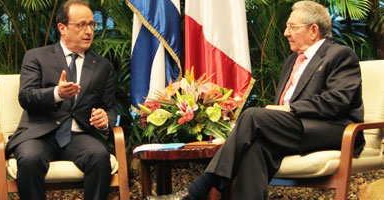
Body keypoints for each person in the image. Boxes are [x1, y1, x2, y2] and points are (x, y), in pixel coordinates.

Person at [147, 1, 365, 199]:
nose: (285, 32)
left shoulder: (339, 55)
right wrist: (283, 112)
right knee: (255, 149)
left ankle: (197, 191)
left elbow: (338, 101)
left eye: (292, 27)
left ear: (314, 30)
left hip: (333, 129)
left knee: (253, 116)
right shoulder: (292, 61)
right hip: (297, 127)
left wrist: (289, 110)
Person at [5, 1, 117, 199]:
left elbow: (109, 108)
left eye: (92, 24)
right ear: (62, 28)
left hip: (79, 136)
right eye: (81, 25)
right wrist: (56, 93)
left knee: (99, 156)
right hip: (39, 134)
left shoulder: (103, 66)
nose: (89, 31)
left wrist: (104, 120)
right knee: (30, 159)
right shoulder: (36, 57)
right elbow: (26, 96)